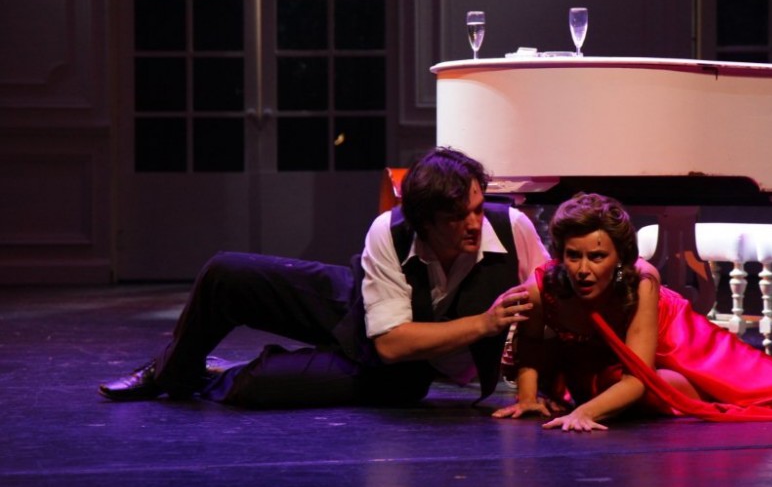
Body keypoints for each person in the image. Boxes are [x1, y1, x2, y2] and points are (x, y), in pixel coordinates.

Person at [99, 147, 549, 407]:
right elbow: (389, 334)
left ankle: (207, 375)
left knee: (257, 385)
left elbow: (393, 351)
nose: (474, 224)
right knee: (224, 272)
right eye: (457, 217)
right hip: (360, 307)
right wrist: (484, 323)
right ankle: (173, 371)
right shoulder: (391, 231)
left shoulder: (512, 229)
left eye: (477, 209)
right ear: (424, 222)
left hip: (401, 369)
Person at [492, 192, 772, 432]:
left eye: (597, 256)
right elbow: (530, 343)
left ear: (619, 258)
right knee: (659, 392)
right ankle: (686, 394)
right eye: (573, 256)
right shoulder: (544, 287)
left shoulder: (641, 280)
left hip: (681, 343)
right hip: (610, 369)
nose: (583, 269)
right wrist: (527, 398)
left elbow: (638, 374)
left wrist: (585, 413)